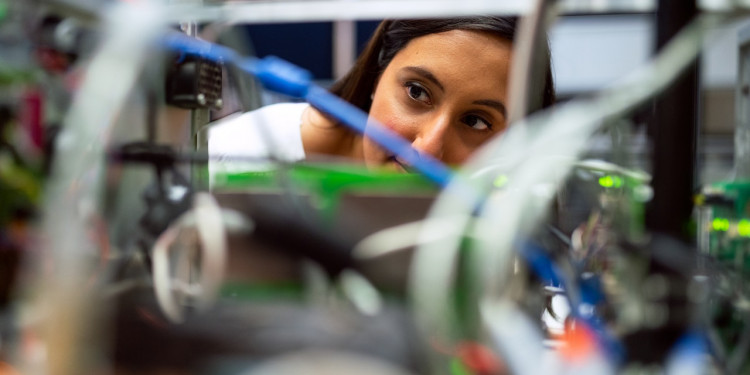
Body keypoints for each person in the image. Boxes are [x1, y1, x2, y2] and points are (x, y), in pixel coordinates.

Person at [208, 17, 555, 176]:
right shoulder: (231, 161)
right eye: (417, 93)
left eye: (475, 121)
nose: (428, 148)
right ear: (377, 73)